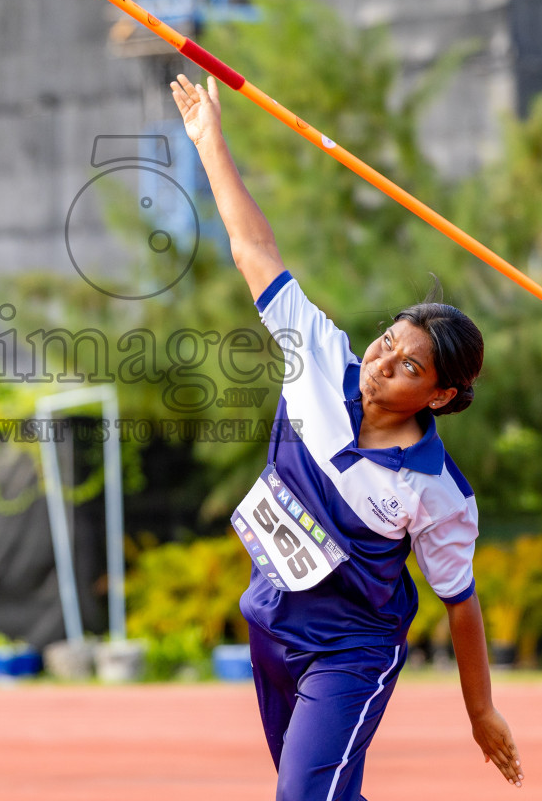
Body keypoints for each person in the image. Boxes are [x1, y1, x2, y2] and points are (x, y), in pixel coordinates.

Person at [170, 74, 522, 800]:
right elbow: (252, 247)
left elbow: (462, 603)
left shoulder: (438, 491)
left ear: (441, 394)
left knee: (302, 798)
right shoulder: (319, 355)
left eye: (408, 367)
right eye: (387, 343)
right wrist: (210, 141)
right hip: (270, 621)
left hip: (350, 651)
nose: (383, 365)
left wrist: (480, 710)